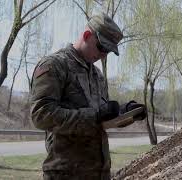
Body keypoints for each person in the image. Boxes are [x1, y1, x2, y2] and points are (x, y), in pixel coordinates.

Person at [29, 13, 147, 180]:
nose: (104, 55)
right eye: (102, 47)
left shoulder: (97, 75)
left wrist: (125, 113)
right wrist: (95, 116)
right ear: (86, 35)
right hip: (65, 174)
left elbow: (102, 119)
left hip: (99, 173)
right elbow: (40, 115)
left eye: (109, 51)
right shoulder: (54, 65)